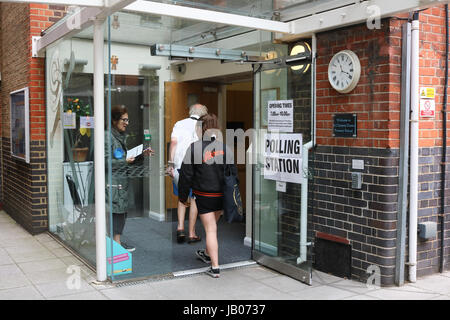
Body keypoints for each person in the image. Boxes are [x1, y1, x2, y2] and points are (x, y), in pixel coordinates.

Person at [178, 113, 237, 278]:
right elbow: (233, 174)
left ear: (201, 128)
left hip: (204, 195)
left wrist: (183, 197)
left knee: (211, 230)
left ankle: (215, 267)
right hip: (221, 196)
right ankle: (206, 253)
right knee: (213, 226)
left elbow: (186, 175)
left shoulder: (195, 148)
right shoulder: (225, 148)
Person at [105, 104, 153, 252]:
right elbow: (104, 161)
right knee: (117, 212)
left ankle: (116, 241)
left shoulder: (119, 136)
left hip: (121, 181)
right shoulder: (107, 137)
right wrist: (124, 160)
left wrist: (141, 155)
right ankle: (116, 243)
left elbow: (125, 159)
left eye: (127, 120)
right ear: (114, 120)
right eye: (123, 120)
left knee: (121, 211)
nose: (126, 123)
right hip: (113, 182)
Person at [167, 103, 208, 244]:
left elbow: (173, 143)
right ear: (203, 114)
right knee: (195, 199)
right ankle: (191, 233)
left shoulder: (179, 123)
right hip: (196, 167)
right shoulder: (202, 125)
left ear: (191, 112)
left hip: (179, 166)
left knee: (181, 197)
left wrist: (170, 164)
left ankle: (180, 228)